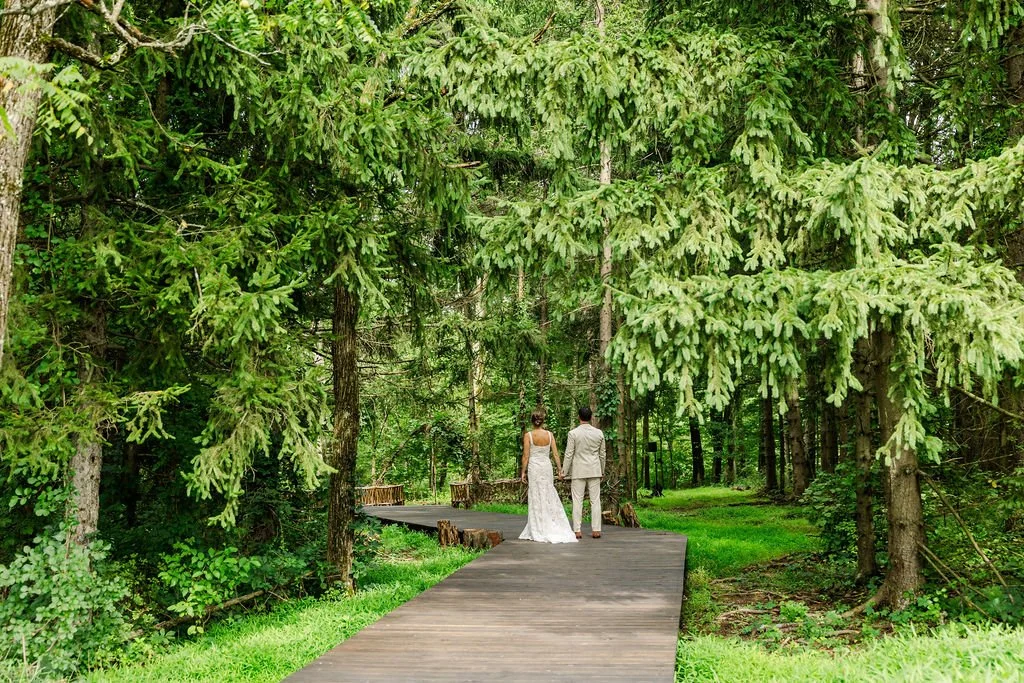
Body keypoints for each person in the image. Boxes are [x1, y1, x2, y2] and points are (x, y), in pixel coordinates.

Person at [518, 409, 577, 544]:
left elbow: (526, 456)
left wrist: (523, 472)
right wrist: (560, 469)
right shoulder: (549, 435)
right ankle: (552, 523)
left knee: (536, 494)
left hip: (535, 468)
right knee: (548, 493)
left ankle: (539, 526)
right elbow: (556, 454)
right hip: (546, 467)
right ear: (543, 421)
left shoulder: (528, 435)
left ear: (532, 421)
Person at [561, 406, 605, 539]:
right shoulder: (599, 433)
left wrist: (564, 471)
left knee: (577, 500)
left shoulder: (573, 433)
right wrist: (602, 470)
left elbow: (569, 454)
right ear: (591, 417)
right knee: (595, 501)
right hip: (594, 469)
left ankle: (577, 530)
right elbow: (602, 454)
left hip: (579, 470)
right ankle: (596, 530)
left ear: (579, 417)